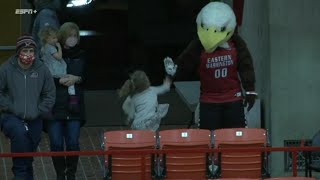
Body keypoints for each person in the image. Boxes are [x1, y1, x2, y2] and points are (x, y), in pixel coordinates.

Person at [163, 2, 257, 131]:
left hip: (233, 99)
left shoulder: (236, 43)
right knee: (210, 141)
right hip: (209, 101)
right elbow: (186, 62)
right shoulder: (199, 45)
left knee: (235, 139)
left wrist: (250, 90)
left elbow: (246, 66)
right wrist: (175, 70)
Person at [0, 34, 56, 180]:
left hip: (35, 117)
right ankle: (19, 174)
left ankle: (24, 175)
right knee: (19, 134)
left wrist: (39, 110)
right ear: (18, 52)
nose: (28, 54)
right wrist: (10, 106)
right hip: (11, 115)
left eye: (31, 51)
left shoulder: (42, 69)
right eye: (25, 51)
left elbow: (49, 93)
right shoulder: (6, 68)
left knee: (28, 151)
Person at [48, 22, 86, 180]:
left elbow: (90, 78)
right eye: (70, 35)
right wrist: (60, 81)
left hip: (74, 106)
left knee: (72, 143)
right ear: (63, 37)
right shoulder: (50, 53)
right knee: (56, 143)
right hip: (55, 106)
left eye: (75, 36)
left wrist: (77, 78)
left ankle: (70, 174)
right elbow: (44, 78)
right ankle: (60, 175)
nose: (73, 39)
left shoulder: (82, 55)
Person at [39, 25, 76, 96]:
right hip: (55, 69)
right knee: (68, 78)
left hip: (48, 68)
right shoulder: (51, 48)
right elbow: (59, 57)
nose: (56, 40)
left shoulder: (43, 48)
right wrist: (59, 48)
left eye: (56, 38)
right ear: (46, 39)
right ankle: (71, 91)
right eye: (53, 38)